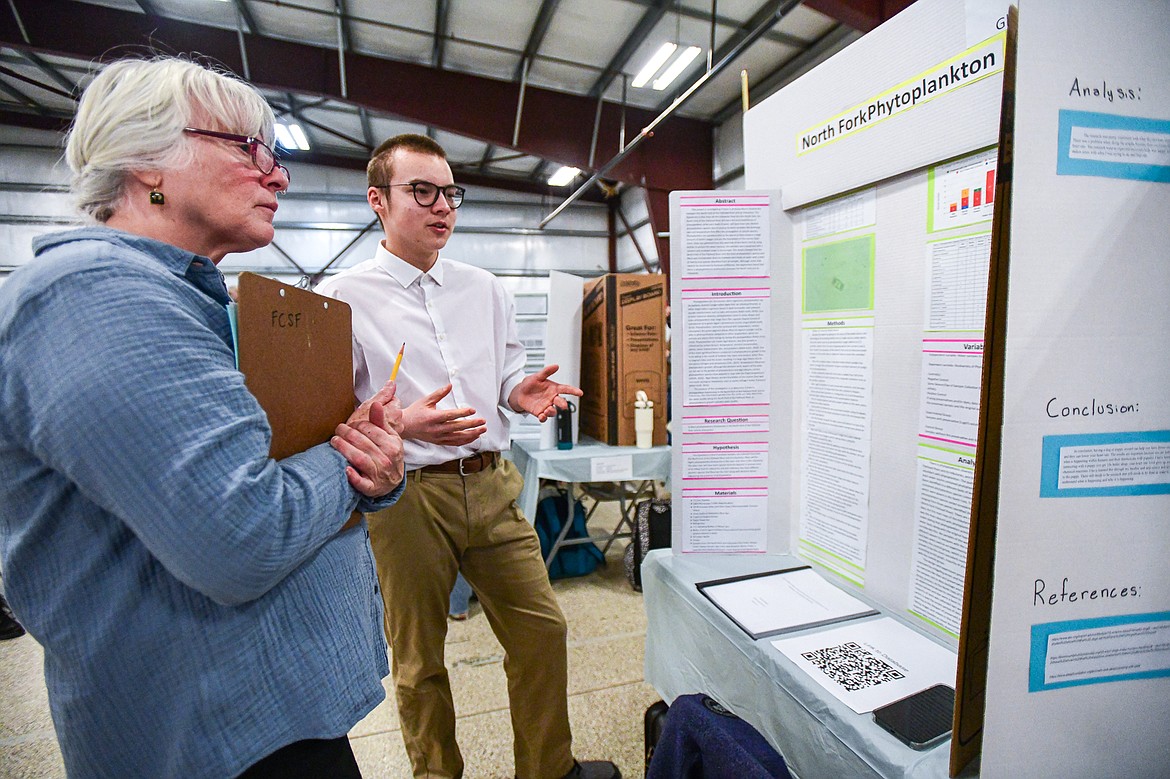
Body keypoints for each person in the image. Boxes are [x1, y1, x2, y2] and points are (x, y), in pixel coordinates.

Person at [0, 56, 406, 779]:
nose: (276, 174)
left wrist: (371, 463)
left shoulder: (202, 302)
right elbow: (242, 533)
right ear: (144, 160)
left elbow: (280, 459)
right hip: (210, 738)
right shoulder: (98, 297)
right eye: (246, 147)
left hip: (268, 710)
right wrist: (352, 464)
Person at [316, 134, 619, 779]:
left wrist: (519, 388)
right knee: (418, 659)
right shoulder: (343, 297)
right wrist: (400, 419)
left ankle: (547, 769)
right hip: (407, 500)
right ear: (378, 200)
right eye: (421, 191)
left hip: (491, 485)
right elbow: (326, 416)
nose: (442, 206)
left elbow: (506, 365)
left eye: (449, 192)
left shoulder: (484, 289)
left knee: (542, 631)